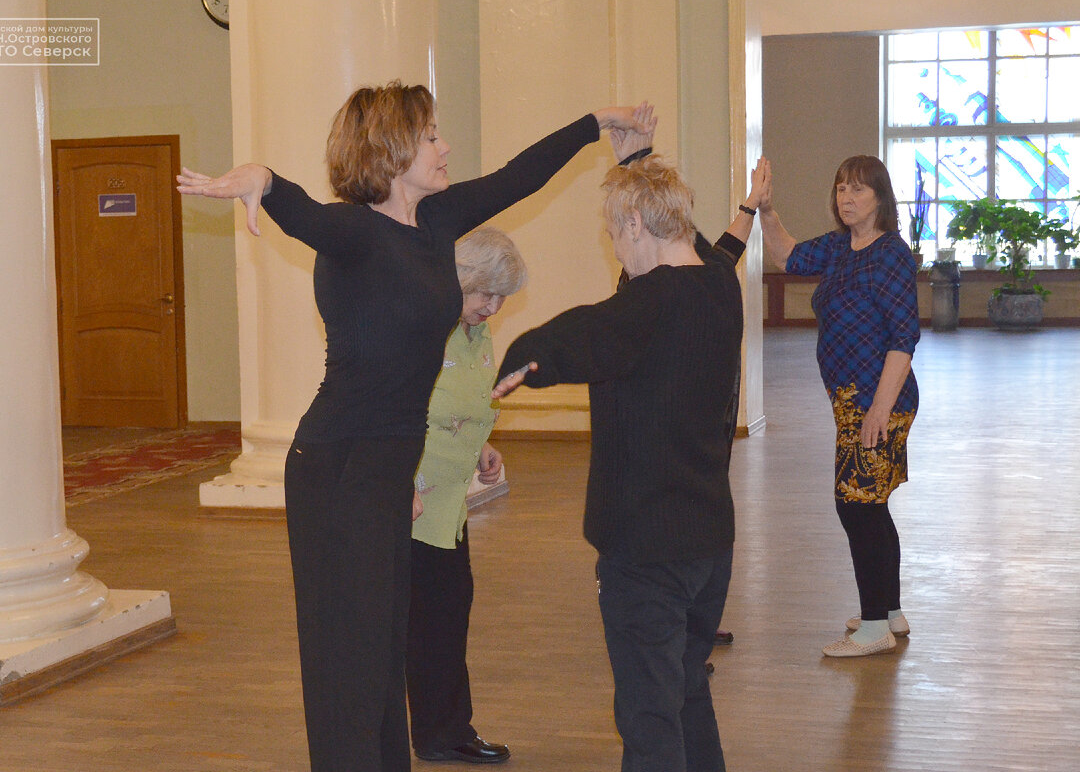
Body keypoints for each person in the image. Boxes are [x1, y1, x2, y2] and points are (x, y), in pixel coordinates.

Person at [176, 81, 649, 772]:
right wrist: (261, 181)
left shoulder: (435, 223)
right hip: (337, 464)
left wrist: (594, 124)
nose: (444, 145)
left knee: (382, 644)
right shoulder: (355, 233)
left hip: (389, 464)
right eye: (430, 135)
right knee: (350, 655)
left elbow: (517, 178)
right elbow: (300, 210)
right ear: (392, 149)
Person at [492, 147, 768, 771]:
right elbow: (712, 249)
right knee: (687, 688)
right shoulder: (720, 287)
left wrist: (521, 359)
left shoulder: (647, 306)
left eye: (616, 232)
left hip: (648, 551)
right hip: (708, 544)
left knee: (648, 716)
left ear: (637, 225)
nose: (616, 248)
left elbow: (581, 334)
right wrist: (644, 164)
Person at [755, 155, 920, 658]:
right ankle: (888, 610)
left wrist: (877, 410)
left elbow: (903, 338)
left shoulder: (890, 253)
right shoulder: (840, 246)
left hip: (877, 401)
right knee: (870, 505)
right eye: (841, 189)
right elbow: (788, 256)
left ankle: (873, 627)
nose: (847, 199)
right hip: (851, 401)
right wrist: (764, 208)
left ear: (881, 199)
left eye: (859, 191)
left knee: (857, 505)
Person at [407, 227, 526, 765]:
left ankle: (450, 729)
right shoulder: (421, 330)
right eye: (486, 293)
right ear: (460, 280)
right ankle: (432, 734)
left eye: (501, 297)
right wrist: (399, 479)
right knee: (425, 624)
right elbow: (395, 409)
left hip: (448, 505)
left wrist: (482, 445)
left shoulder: (477, 338)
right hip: (409, 505)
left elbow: (462, 403)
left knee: (448, 618)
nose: (493, 306)